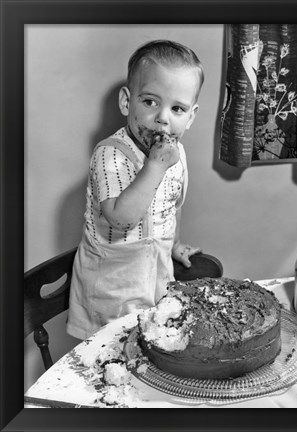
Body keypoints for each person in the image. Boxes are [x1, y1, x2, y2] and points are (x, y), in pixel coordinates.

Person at [67, 40, 204, 340]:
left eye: (177, 108)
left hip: (156, 278)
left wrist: (175, 244)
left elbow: (172, 205)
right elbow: (120, 218)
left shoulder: (175, 154)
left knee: (151, 346)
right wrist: (154, 167)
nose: (162, 118)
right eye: (150, 102)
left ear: (190, 117)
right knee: (109, 358)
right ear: (127, 102)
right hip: (111, 286)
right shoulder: (110, 155)